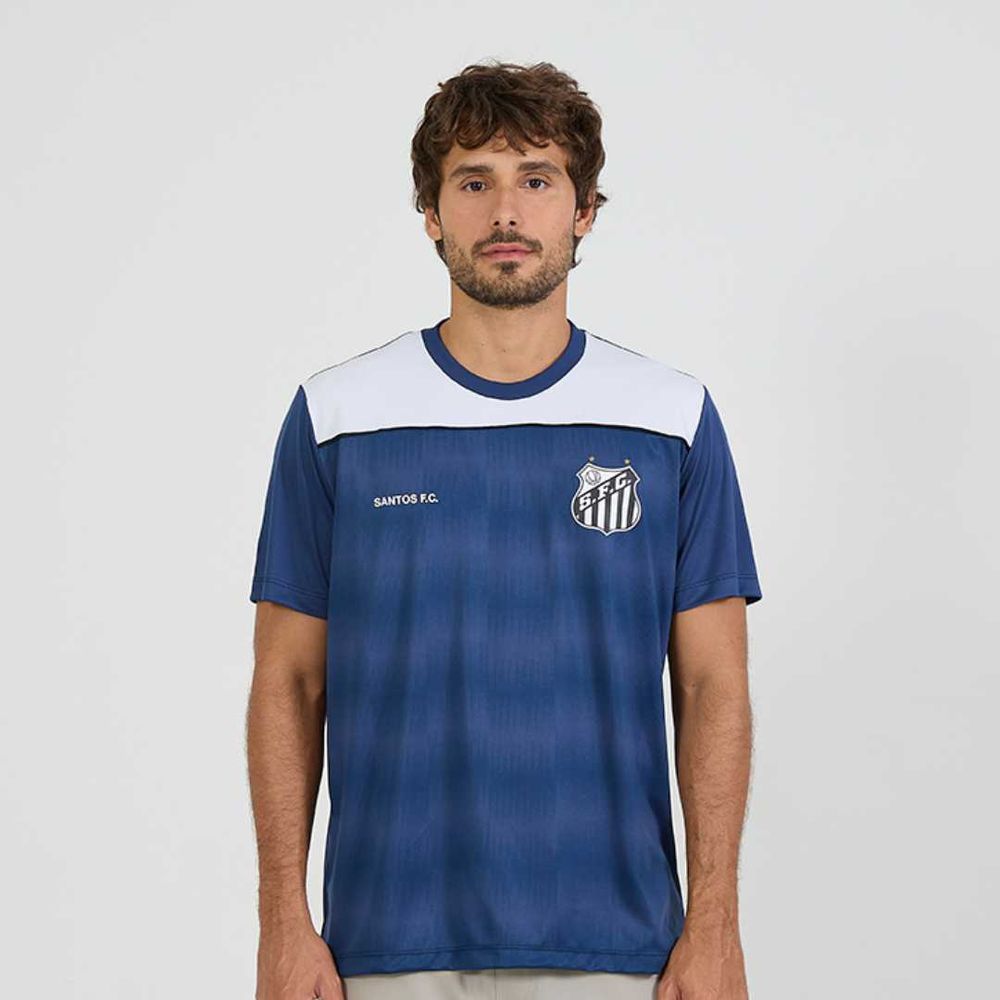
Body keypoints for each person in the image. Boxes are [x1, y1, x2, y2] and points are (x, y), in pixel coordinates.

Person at [246, 60, 762, 1000]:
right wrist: (283, 922)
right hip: (382, 947)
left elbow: (711, 684)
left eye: (537, 179)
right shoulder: (338, 417)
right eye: (474, 182)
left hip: (619, 950)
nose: (507, 212)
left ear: (585, 210)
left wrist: (716, 925)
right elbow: (288, 682)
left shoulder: (670, 419)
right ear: (432, 214)